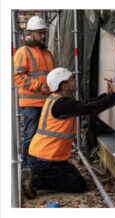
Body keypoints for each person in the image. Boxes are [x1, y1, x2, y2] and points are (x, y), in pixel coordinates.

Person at [22, 68, 115, 198]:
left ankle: (38, 175)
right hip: (46, 160)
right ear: (64, 86)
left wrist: (108, 95)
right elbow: (92, 108)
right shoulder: (61, 104)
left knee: (74, 179)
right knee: (78, 185)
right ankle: (36, 181)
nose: (75, 80)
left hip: (41, 156)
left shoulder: (57, 100)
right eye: (72, 79)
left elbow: (85, 104)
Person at [13, 16, 55, 167]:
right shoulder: (23, 52)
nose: (43, 36)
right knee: (31, 136)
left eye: (44, 32)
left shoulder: (47, 53)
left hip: (46, 102)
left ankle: (39, 168)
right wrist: (38, 86)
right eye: (39, 33)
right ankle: (26, 169)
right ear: (30, 34)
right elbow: (17, 76)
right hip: (31, 104)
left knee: (44, 138)